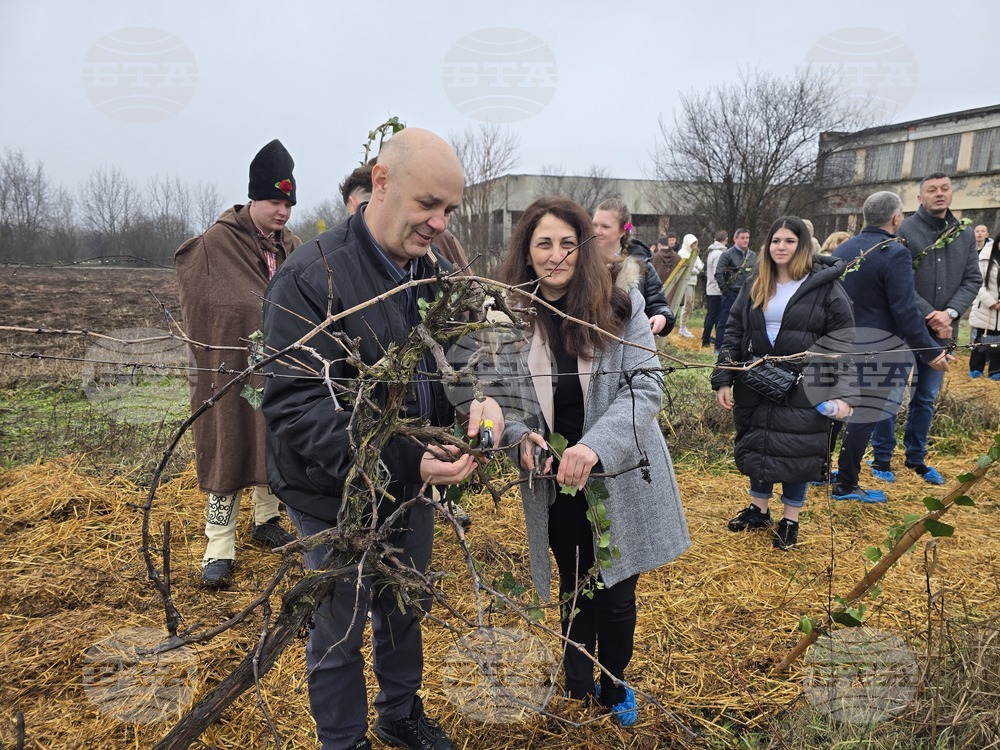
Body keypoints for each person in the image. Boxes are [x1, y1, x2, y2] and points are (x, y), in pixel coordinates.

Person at [262, 128, 503, 750]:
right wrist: (406, 457)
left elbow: (469, 365)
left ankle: (399, 713)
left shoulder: (435, 275)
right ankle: (345, 741)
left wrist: (482, 406)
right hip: (330, 492)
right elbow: (296, 407)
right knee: (339, 626)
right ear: (383, 181)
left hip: (413, 485)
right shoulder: (311, 277)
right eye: (429, 204)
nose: (439, 223)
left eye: (449, 209)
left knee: (405, 601)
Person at [497, 196, 689, 724]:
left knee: (618, 587)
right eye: (543, 244)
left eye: (567, 243)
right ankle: (578, 681)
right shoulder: (513, 316)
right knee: (575, 580)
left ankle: (615, 682)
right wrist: (521, 437)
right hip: (554, 480)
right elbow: (501, 399)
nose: (555, 255)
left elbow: (645, 390)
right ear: (527, 251)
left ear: (584, 249)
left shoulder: (621, 308)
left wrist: (593, 446)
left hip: (617, 470)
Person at [174, 138, 299, 589]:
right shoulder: (216, 244)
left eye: (287, 202)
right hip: (227, 372)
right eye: (273, 201)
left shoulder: (292, 246)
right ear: (252, 198)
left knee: (273, 440)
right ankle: (218, 546)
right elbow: (201, 293)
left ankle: (266, 521)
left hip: (280, 370)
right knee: (228, 447)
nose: (281, 211)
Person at [711, 216, 856, 550]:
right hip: (758, 379)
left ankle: (790, 520)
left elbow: (844, 340)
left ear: (802, 244)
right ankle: (758, 510)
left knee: (797, 451)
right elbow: (733, 330)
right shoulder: (756, 282)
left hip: (805, 381)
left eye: (789, 241)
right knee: (759, 444)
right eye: (776, 240)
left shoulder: (825, 286)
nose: (781, 247)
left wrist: (845, 393)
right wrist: (724, 378)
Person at [830, 191, 951, 502]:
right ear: (897, 219)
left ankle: (817, 470)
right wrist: (930, 350)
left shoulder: (844, 248)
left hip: (841, 342)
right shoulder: (893, 252)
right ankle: (845, 483)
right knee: (864, 413)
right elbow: (905, 309)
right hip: (880, 348)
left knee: (836, 410)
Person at [869, 173, 981, 485]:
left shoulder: (964, 234)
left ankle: (916, 458)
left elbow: (973, 279)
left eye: (944, 188)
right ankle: (881, 458)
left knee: (926, 396)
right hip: (904, 329)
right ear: (920, 198)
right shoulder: (903, 230)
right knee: (890, 394)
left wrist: (949, 312)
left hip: (941, 333)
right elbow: (894, 280)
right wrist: (929, 312)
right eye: (931, 190)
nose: (939, 194)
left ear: (952, 193)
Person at [592, 198, 675, 336]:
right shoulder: (580, 262)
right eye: (594, 225)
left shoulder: (642, 266)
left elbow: (658, 304)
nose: (597, 231)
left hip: (629, 345)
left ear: (622, 230)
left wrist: (663, 317)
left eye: (605, 227)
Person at [714, 228, 755, 352]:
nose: (745, 240)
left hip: (748, 293)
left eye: (747, 238)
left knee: (747, 321)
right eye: (742, 238)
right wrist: (725, 291)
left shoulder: (752, 255)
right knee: (725, 320)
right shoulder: (727, 254)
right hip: (731, 293)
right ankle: (719, 347)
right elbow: (719, 273)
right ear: (735, 239)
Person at [969, 225, 1000, 379]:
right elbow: (976, 282)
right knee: (981, 339)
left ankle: (995, 371)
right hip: (985, 308)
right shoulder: (985, 257)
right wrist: (991, 302)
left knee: (999, 341)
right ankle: (976, 368)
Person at [674, 234, 704, 338]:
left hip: (693, 281)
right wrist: (695, 268)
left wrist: (696, 268)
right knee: (687, 304)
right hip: (686, 282)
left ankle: (684, 326)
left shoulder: (694, 253)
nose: (694, 245)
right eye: (692, 243)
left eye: (695, 243)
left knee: (690, 304)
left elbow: (700, 266)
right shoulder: (682, 253)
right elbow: (689, 268)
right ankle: (682, 327)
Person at [703, 230, 728, 349]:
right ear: (726, 239)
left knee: (712, 315)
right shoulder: (719, 254)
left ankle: (708, 338)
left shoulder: (712, 252)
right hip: (716, 290)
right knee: (714, 316)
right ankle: (706, 340)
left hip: (711, 288)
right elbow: (717, 273)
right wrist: (722, 287)